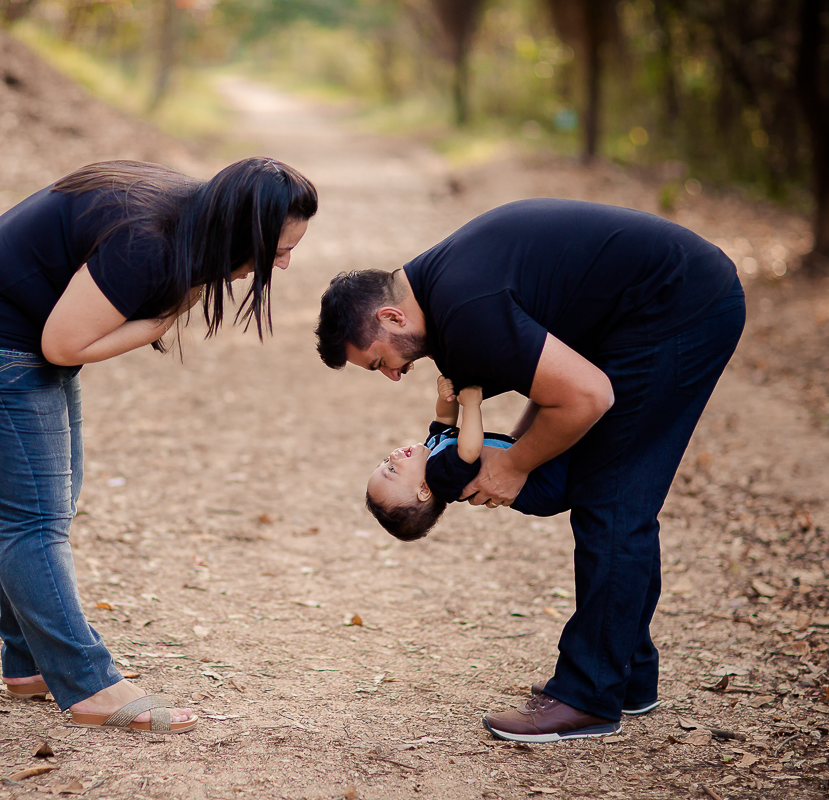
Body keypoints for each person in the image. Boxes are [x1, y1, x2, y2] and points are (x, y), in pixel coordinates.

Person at [315, 198, 744, 743]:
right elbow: (549, 382)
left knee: (610, 501)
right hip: (651, 307)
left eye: (380, 361)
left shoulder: (467, 311)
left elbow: (587, 396)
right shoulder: (441, 294)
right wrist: (518, 444)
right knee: (614, 497)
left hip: (678, 307)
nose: (394, 376)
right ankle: (629, 677)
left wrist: (514, 465)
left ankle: (589, 696)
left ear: (390, 317)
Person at [0, 157, 317, 734]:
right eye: (278, 251)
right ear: (239, 229)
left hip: (8, 329)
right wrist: (157, 324)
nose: (279, 265)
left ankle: (29, 663)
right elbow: (64, 344)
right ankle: (88, 686)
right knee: (33, 519)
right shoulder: (149, 242)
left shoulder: (189, 218)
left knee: (45, 508)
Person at [366, 375, 569, 540]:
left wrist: (446, 397)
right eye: (392, 470)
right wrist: (471, 405)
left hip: (536, 468)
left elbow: (444, 420)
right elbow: (469, 451)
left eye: (385, 461)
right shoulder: (441, 478)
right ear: (424, 490)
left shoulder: (432, 450)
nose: (392, 456)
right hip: (546, 485)